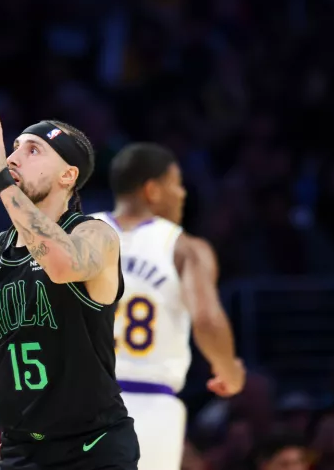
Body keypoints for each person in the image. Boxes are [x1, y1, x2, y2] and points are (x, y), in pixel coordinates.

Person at [0, 106, 140, 469]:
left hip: (93, 447)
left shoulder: (95, 234)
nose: (13, 158)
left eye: (33, 150)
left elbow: (62, 264)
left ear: (68, 175)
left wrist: (3, 182)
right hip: (21, 451)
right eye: (14, 147)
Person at [91, 142, 246, 470]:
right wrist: (229, 370)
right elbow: (206, 318)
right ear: (152, 189)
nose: (182, 194)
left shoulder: (78, 234)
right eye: (176, 183)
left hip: (76, 401)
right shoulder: (184, 247)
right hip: (150, 405)